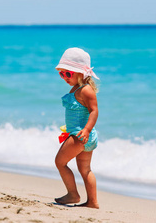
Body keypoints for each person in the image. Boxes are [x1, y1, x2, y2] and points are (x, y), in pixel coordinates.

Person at [54, 47, 100, 209]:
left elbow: (94, 111)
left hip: (80, 136)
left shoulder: (86, 90)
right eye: (61, 74)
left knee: (60, 162)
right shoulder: (77, 88)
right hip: (81, 134)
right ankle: (92, 202)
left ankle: (73, 194)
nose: (64, 77)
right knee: (85, 169)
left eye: (68, 73)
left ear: (81, 73)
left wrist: (86, 130)